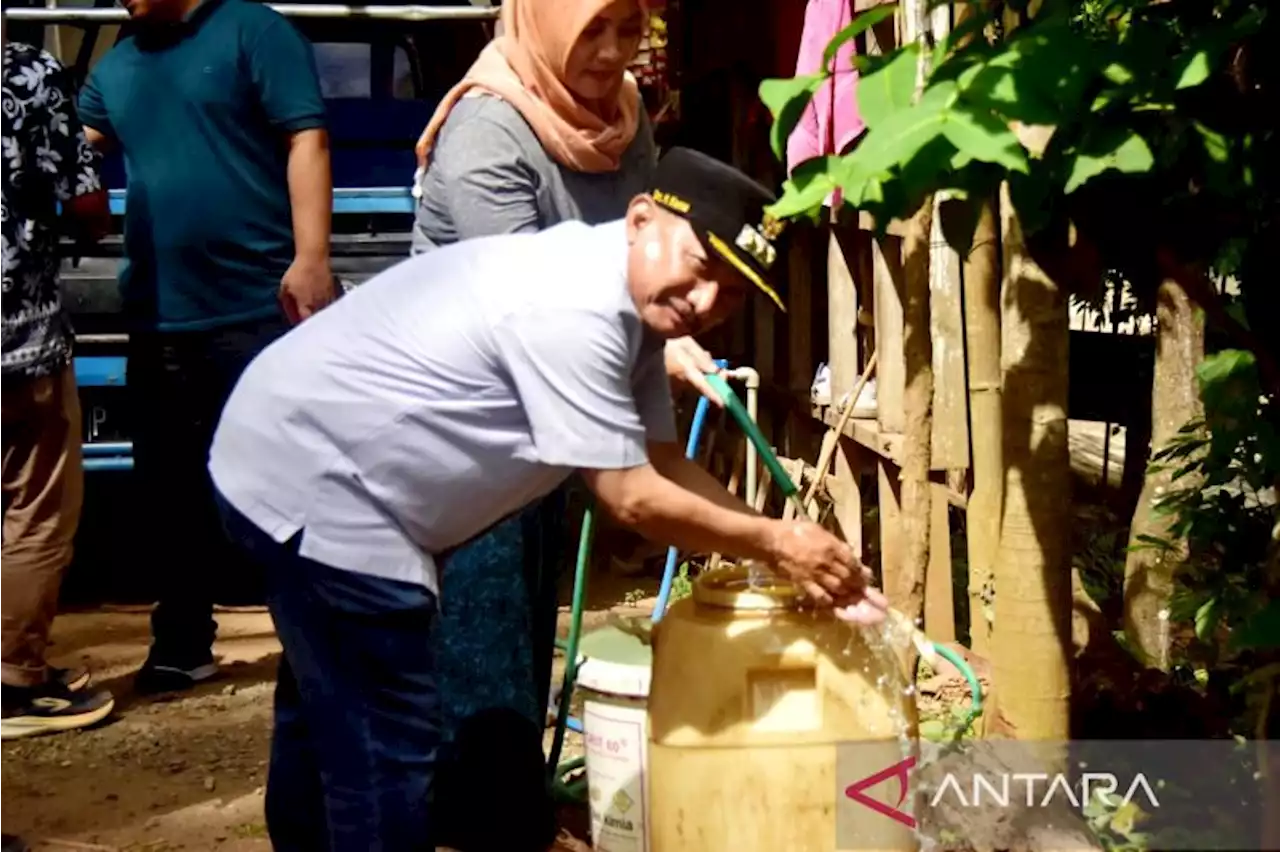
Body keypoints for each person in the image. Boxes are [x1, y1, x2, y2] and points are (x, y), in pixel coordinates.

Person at [207, 146, 890, 852]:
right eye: (702, 265)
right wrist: (780, 544)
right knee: (385, 748)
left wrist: (777, 542)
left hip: (302, 458)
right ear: (640, 218)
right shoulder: (576, 306)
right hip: (320, 483)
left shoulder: (634, 313)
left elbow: (659, 462)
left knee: (330, 718)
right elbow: (629, 497)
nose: (709, 301)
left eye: (736, 291)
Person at [411, 4, 719, 844]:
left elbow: (643, 262)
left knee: (523, 635)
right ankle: (488, 819)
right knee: (480, 646)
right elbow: (534, 316)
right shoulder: (487, 133)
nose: (615, 52)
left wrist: (665, 342)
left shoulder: (627, 119)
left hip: (545, 431)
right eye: (595, 27)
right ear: (544, 15)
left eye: (630, 26)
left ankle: (502, 806)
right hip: (464, 435)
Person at [77, 0, 336, 694]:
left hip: (258, 304)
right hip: (159, 312)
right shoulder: (117, 66)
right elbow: (69, 148)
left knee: (285, 480)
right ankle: (181, 643)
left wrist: (312, 256)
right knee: (168, 490)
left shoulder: (254, 31)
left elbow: (305, 137)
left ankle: (316, 637)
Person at [0, 36, 115, 740]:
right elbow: (86, 201)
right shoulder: (27, 71)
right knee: (36, 509)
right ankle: (13, 678)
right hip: (21, 344)